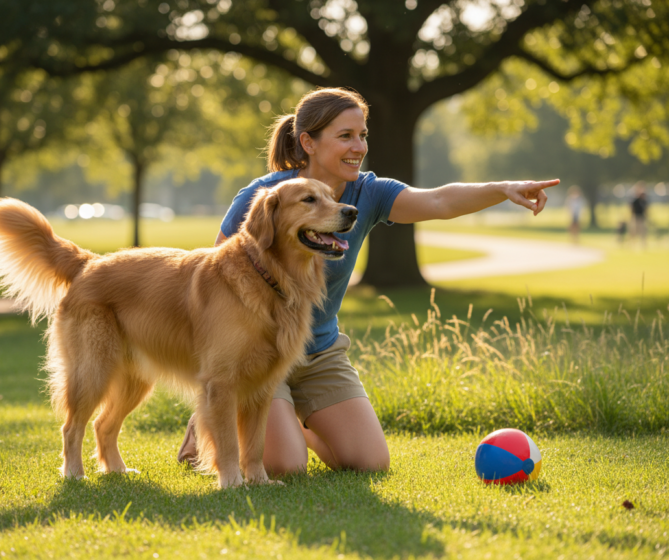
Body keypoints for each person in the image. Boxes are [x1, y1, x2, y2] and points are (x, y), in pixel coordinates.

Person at [177, 87, 559, 475]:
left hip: (319, 350)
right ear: (308, 143)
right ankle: (216, 417)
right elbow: (215, 279)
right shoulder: (266, 197)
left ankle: (290, 423)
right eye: (345, 136)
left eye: (362, 135)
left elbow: (439, 201)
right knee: (285, 466)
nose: (358, 147)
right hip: (256, 353)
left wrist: (502, 189)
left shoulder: (368, 192)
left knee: (370, 463)